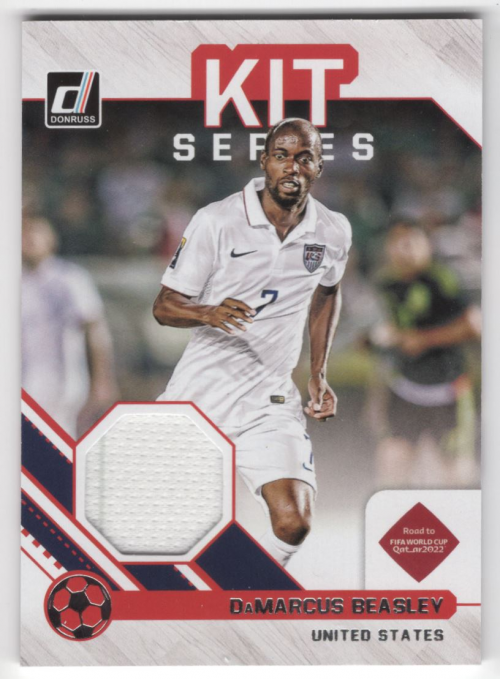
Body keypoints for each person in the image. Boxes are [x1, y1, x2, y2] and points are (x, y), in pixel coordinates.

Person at [153, 118, 351, 567]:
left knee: (294, 522)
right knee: (163, 525)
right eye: (281, 156)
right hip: (199, 395)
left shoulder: (333, 230)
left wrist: (318, 372)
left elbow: (328, 291)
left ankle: (244, 589)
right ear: (264, 162)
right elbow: (164, 306)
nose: (292, 167)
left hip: (269, 400)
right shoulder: (217, 220)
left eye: (304, 158)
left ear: (318, 167)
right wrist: (208, 312)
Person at [369, 222, 481, 488]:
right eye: (397, 243)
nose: (403, 250)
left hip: (447, 390)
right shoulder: (386, 284)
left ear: (426, 246)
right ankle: (395, 512)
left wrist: (424, 339)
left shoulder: (442, 280)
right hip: (404, 387)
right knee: (392, 458)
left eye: (410, 242)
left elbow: (475, 326)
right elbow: (383, 339)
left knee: (456, 472)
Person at [22, 216, 118, 438]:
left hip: (62, 381)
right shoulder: (13, 281)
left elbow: (95, 330)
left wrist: (102, 379)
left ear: (51, 239)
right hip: (22, 378)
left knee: (57, 442)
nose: (30, 240)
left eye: (36, 234)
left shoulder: (70, 278)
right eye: (25, 235)